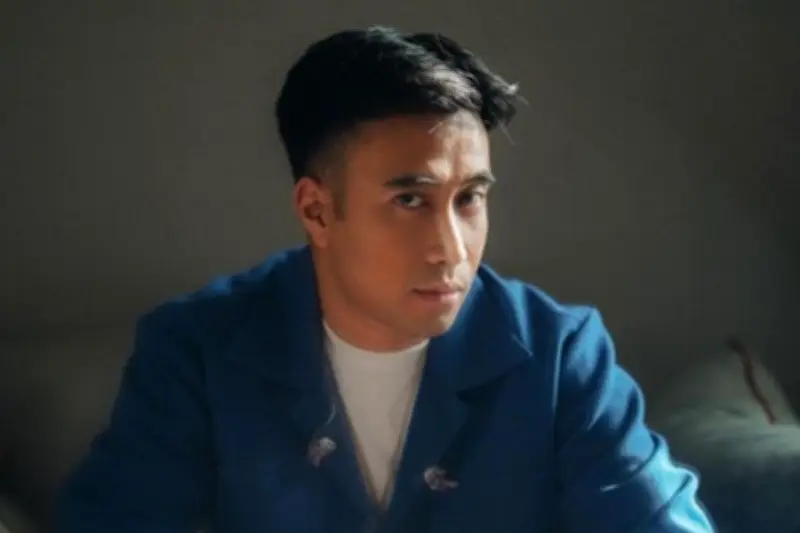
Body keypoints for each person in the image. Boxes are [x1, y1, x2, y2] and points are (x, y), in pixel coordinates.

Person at [58, 26, 715, 532]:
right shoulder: (197, 350)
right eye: (410, 200)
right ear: (317, 211)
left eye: (470, 198)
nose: (451, 249)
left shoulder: (558, 355)